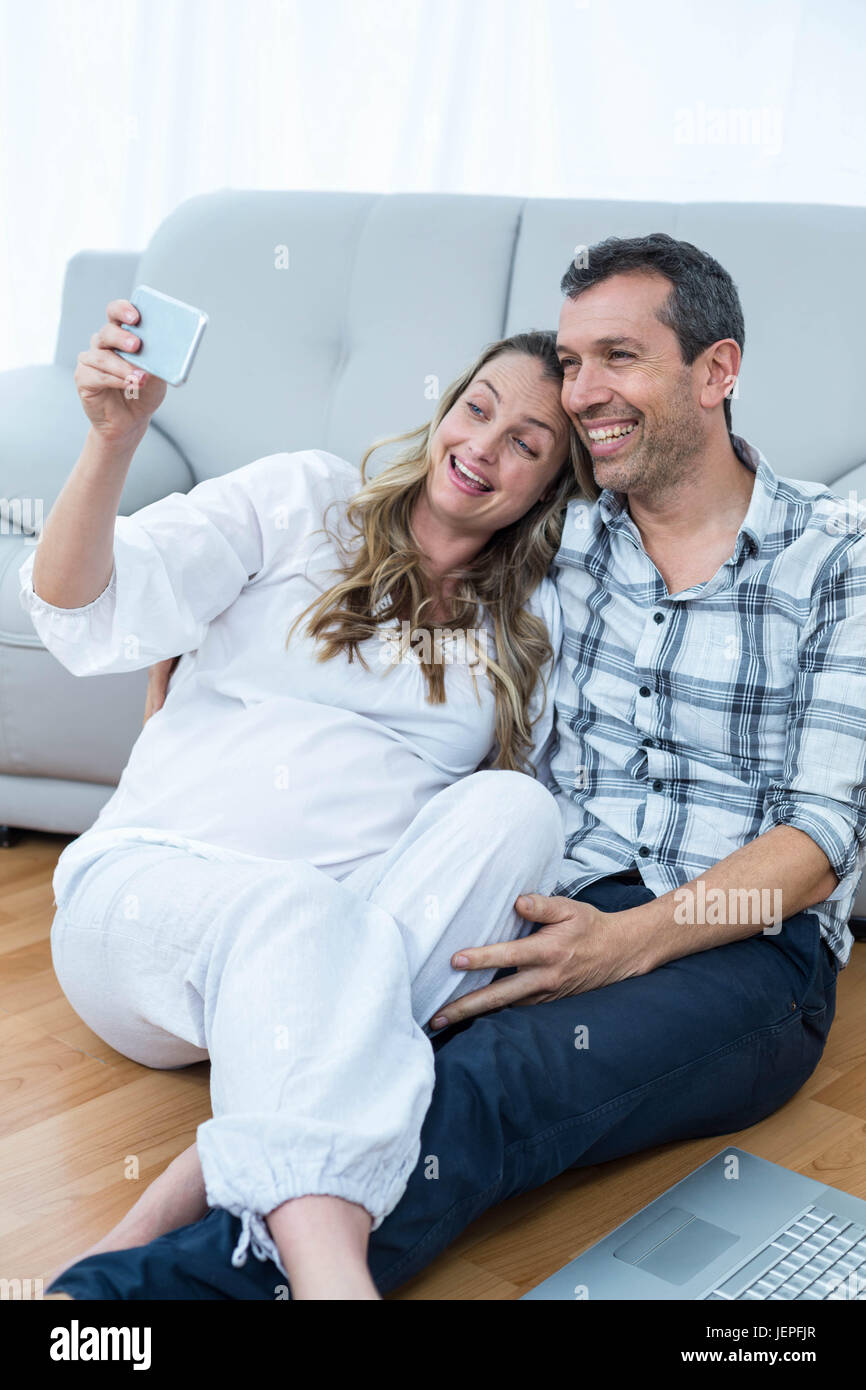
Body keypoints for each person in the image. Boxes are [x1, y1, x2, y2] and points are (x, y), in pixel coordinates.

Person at [44, 234, 866, 1303]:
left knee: (478, 1073)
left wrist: (624, 943)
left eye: (616, 357)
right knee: (393, 1038)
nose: (584, 391)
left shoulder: (831, 555)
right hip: (548, 899)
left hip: (737, 936)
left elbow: (823, 837)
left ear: (715, 371)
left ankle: (132, 1289)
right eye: (571, 363)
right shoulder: (568, 544)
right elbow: (151, 604)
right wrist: (177, 664)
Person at [20, 305, 589, 1300]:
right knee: (299, 908)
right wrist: (114, 441)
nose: (482, 447)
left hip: (337, 951)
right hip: (150, 904)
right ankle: (332, 1278)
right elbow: (82, 608)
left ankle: (194, 1180)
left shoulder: (527, 624)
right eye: (477, 409)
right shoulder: (304, 498)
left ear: (549, 488)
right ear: (445, 409)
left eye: (525, 443)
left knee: (519, 813)